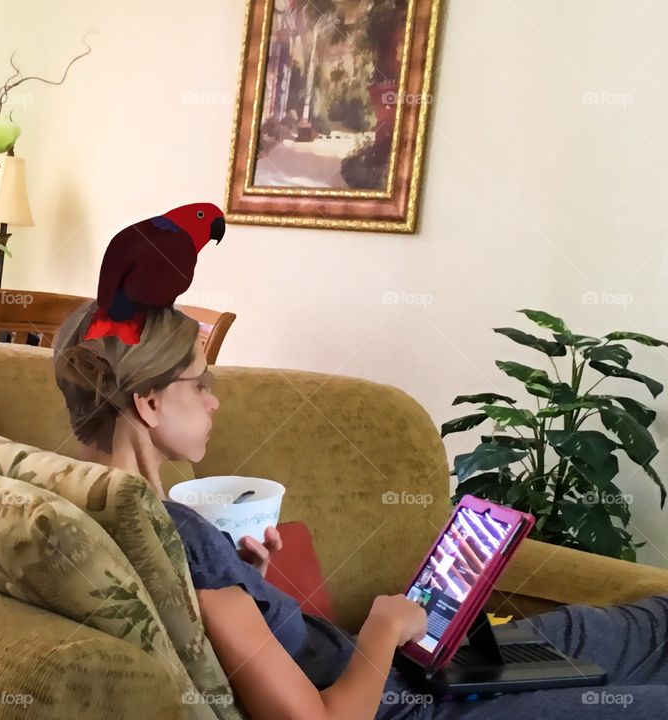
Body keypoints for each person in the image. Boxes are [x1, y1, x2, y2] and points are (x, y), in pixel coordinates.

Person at [52, 301, 668, 719]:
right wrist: (383, 625)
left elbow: (223, 629)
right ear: (150, 402)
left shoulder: (86, 502)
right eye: (200, 384)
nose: (214, 402)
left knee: (641, 627)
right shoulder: (174, 539)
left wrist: (253, 588)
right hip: (409, 706)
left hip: (404, 676)